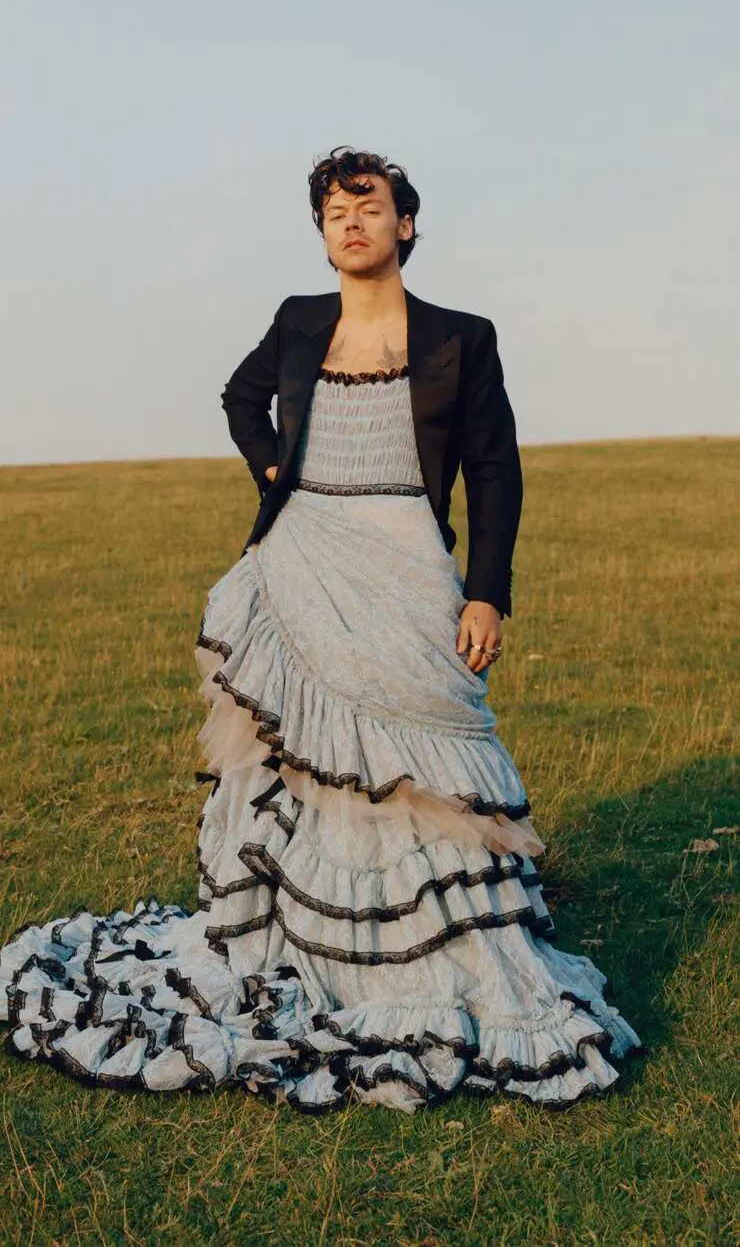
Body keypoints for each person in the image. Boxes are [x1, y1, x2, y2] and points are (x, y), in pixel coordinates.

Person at [0, 145, 640, 1112]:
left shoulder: (462, 337)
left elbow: (494, 469)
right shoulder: (299, 321)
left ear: (404, 225)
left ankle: (435, 960)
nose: (351, 221)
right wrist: (272, 468)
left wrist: (486, 593)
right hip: (300, 555)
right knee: (299, 760)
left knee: (416, 761)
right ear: (323, 233)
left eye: (368, 206)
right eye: (335, 211)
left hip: (407, 559)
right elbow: (238, 397)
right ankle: (308, 945)